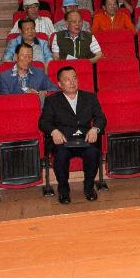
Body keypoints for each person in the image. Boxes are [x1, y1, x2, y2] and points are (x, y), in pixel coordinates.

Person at [38, 66, 107, 204]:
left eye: (74, 78)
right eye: (67, 79)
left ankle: (88, 187)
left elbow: (101, 118)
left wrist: (95, 129)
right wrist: (54, 131)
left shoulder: (89, 97)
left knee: (93, 152)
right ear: (59, 84)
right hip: (63, 140)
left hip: (84, 138)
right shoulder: (52, 100)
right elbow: (43, 122)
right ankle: (63, 190)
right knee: (61, 155)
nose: (72, 82)